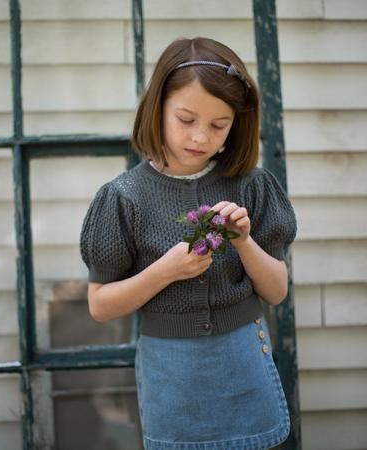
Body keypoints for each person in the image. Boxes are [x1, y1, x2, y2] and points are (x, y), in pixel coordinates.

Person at [80, 37, 297, 450]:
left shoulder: (252, 185)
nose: (200, 137)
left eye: (219, 125)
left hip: (243, 359)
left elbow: (276, 290)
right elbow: (100, 304)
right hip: (171, 371)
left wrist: (245, 242)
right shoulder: (123, 198)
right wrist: (167, 271)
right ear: (157, 107)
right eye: (186, 119)